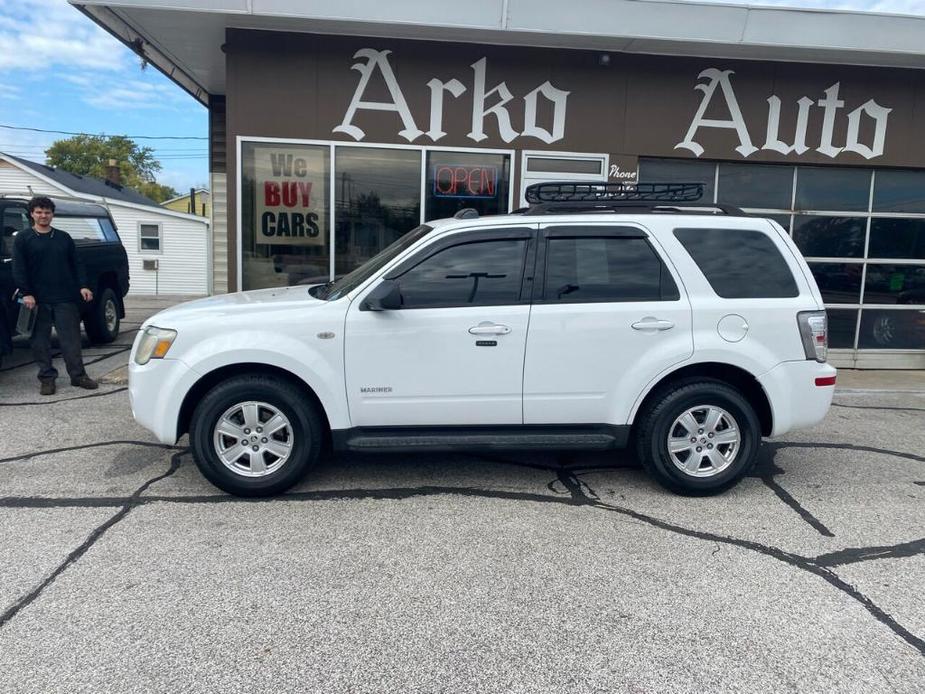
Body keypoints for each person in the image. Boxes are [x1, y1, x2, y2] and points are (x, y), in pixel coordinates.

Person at [11, 196, 98, 395]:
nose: (43, 216)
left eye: (47, 212)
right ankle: (47, 378)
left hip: (65, 298)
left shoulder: (63, 238)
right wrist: (27, 293)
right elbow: (19, 268)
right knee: (40, 342)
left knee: (71, 340)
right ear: (32, 214)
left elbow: (76, 263)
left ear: (52, 215)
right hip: (37, 300)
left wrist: (83, 286)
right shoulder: (23, 238)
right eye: (39, 212)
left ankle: (78, 376)